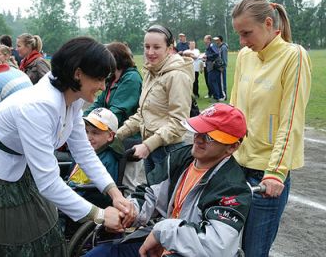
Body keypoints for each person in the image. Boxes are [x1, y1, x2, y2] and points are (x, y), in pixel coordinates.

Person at [0, 37, 133, 256]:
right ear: (78, 74)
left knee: (42, 229)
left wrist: (114, 193)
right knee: (8, 239)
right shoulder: (39, 106)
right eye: (99, 78)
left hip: (18, 165)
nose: (102, 86)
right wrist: (99, 215)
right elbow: (49, 183)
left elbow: (83, 151)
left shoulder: (75, 96)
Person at [86, 103, 252, 257]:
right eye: (198, 130)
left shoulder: (233, 188)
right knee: (100, 253)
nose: (199, 139)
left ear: (232, 147)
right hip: (163, 242)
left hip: (185, 250)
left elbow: (216, 245)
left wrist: (162, 231)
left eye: (210, 137)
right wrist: (128, 211)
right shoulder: (181, 157)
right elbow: (149, 193)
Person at [230, 0, 312, 257]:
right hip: (235, 167)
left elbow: (291, 120)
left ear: (268, 23)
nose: (242, 42)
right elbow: (234, 111)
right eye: (239, 34)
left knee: (254, 251)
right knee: (223, 246)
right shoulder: (245, 56)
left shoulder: (293, 56)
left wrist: (276, 171)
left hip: (265, 177)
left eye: (247, 33)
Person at [116, 25, 193, 175]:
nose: (150, 52)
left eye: (156, 47)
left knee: (165, 198)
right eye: (147, 46)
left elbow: (179, 122)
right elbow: (143, 114)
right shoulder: (151, 72)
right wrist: (117, 135)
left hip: (168, 151)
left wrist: (148, 146)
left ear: (169, 48)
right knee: (153, 195)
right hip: (151, 148)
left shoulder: (176, 76)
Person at [68, 107, 124, 208]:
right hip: (69, 194)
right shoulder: (81, 152)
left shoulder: (109, 159)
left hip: (84, 204)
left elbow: (105, 196)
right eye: (86, 131)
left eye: (95, 133)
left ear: (110, 136)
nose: (88, 137)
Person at [84, 42, 142, 128]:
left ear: (115, 58)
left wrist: (94, 125)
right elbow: (98, 103)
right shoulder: (112, 79)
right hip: (110, 128)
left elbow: (117, 111)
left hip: (127, 133)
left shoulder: (132, 78)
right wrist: (84, 118)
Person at [203, 35, 222, 101]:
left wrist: (207, 57)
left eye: (205, 39)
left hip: (213, 67)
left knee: (212, 81)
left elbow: (216, 53)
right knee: (211, 81)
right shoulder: (208, 46)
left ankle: (216, 97)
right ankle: (217, 96)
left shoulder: (212, 45)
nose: (204, 40)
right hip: (210, 66)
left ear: (208, 40)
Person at [214, 35, 228, 100]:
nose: (215, 41)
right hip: (219, 67)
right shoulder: (218, 47)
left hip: (222, 67)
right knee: (220, 81)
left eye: (217, 40)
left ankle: (224, 96)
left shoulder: (223, 47)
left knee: (223, 82)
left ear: (220, 40)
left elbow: (224, 58)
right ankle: (222, 95)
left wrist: (223, 66)